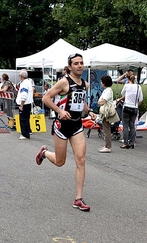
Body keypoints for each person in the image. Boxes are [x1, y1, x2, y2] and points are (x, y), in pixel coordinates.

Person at [35, 53, 96, 211]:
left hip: (76, 125)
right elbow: (46, 98)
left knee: (81, 160)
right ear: (70, 67)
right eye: (76, 63)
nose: (80, 65)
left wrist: (89, 111)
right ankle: (45, 154)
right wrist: (59, 111)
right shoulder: (63, 82)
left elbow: (79, 101)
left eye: (81, 63)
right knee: (60, 162)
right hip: (62, 125)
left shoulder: (85, 84)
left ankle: (78, 199)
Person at [116, 74, 143, 149]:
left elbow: (122, 94)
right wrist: (137, 105)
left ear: (127, 79)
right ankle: (132, 142)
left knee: (125, 126)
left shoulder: (127, 85)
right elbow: (141, 99)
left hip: (127, 107)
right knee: (132, 126)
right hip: (134, 108)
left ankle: (125, 143)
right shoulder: (138, 87)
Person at [97, 75, 117, 153]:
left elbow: (103, 101)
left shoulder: (108, 91)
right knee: (106, 128)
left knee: (106, 129)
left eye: (102, 81)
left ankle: (108, 146)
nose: (101, 83)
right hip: (105, 111)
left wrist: (99, 102)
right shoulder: (107, 90)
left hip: (106, 111)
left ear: (104, 83)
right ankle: (106, 145)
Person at [16, 70, 34, 140]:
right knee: (26, 119)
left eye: (19, 75)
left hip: (25, 103)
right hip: (28, 103)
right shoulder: (29, 82)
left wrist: (21, 105)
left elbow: (24, 94)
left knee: (23, 119)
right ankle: (27, 132)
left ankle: (24, 134)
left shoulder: (24, 84)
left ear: (21, 76)